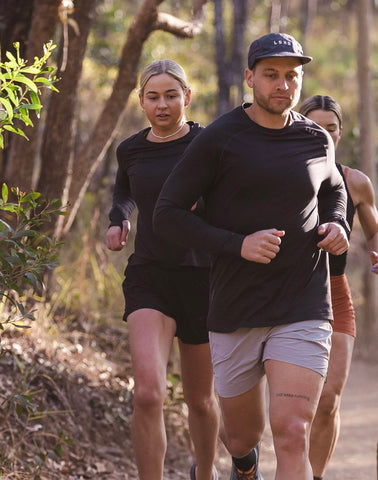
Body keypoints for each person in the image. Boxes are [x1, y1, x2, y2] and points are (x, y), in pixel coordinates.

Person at [153, 33, 350, 480]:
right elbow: (167, 214)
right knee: (241, 437)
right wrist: (236, 244)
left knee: (292, 431)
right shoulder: (219, 139)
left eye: (291, 76)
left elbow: (334, 187)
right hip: (235, 306)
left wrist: (337, 223)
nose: (282, 85)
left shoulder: (317, 139)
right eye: (271, 75)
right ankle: (244, 467)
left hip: (303, 303)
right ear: (250, 78)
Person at [106, 59, 219, 480]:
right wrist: (120, 216)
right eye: (153, 97)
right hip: (150, 275)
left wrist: (202, 207)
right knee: (149, 395)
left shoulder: (209, 144)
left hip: (202, 278)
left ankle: (204, 473)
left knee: (200, 399)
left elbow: (230, 200)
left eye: (172, 96)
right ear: (141, 101)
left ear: (187, 97)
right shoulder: (131, 148)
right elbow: (125, 189)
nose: (163, 105)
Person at [298, 94, 378, 480]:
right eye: (315, 127)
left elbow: (376, 231)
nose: (324, 134)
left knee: (328, 400)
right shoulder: (277, 175)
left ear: (340, 133)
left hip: (334, 292)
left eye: (331, 128)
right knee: (287, 406)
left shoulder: (354, 182)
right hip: (282, 293)